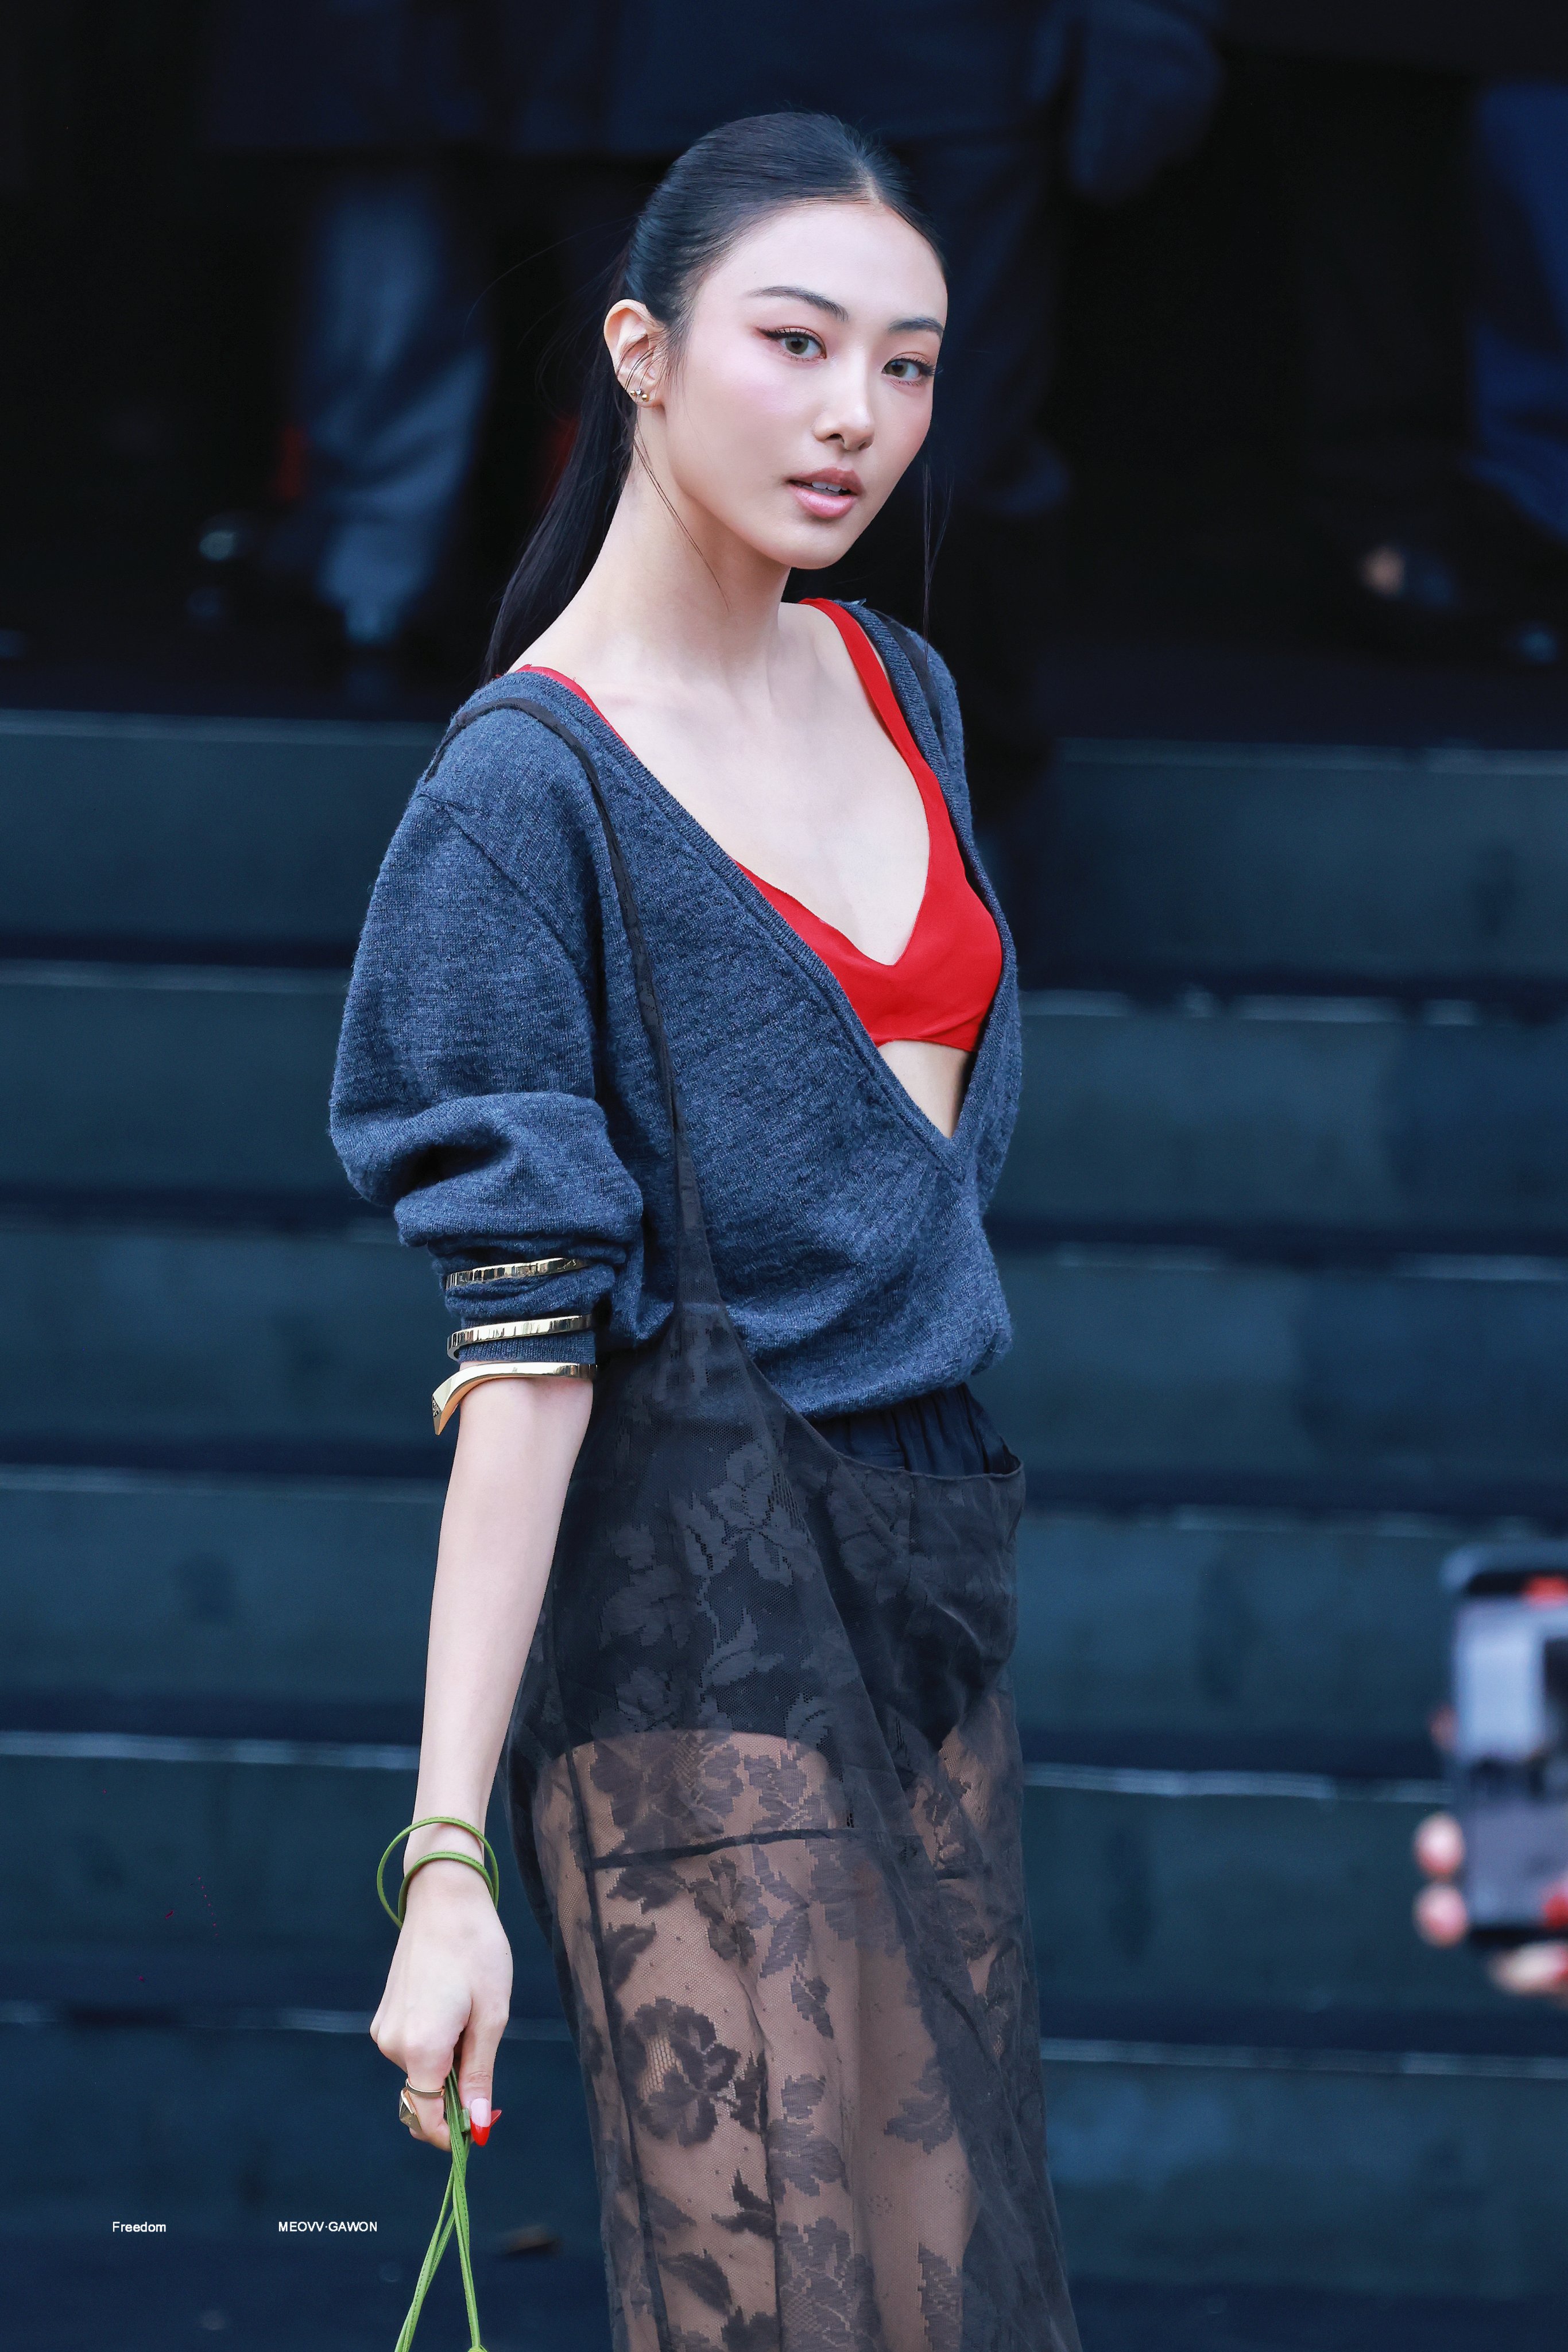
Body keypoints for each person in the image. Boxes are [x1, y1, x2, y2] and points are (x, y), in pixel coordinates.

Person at [331, 114, 1080, 2352]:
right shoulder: (522, 792)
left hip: (929, 1538)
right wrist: (445, 1855)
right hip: (693, 1590)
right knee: (784, 2289)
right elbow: (521, 1348)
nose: (857, 413)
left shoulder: (898, 685)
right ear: (639, 354)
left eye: (909, 364)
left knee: (950, 2280)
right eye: (795, 343)